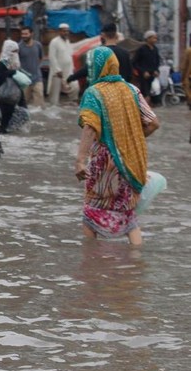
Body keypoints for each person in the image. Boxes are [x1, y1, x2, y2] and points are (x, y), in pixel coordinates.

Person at [75, 47, 159, 246]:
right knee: (128, 216)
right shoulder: (132, 90)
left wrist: (80, 160)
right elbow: (154, 123)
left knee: (91, 212)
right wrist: (133, 139)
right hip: (131, 161)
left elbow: (90, 127)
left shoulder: (94, 92)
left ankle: (93, 260)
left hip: (104, 162)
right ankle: (136, 261)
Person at [67, 22, 134, 86]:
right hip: (120, 91)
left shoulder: (98, 53)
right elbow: (129, 75)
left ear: (103, 35)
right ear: (116, 35)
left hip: (103, 92)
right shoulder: (125, 53)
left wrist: (70, 78)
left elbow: (87, 70)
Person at [0, 40, 28, 132]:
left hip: (17, 93)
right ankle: (4, 132)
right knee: (6, 116)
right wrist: (10, 73)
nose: (15, 54)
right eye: (13, 51)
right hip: (6, 95)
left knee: (23, 112)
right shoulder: (2, 64)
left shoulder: (15, 64)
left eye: (17, 51)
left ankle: (15, 131)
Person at [47, 23, 75, 106]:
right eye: (64, 31)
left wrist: (73, 68)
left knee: (75, 87)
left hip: (68, 70)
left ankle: (71, 105)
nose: (66, 33)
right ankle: (53, 109)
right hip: (57, 72)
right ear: (59, 31)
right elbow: (52, 57)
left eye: (67, 31)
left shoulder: (67, 41)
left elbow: (69, 56)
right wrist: (57, 70)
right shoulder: (54, 42)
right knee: (54, 96)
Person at [18, 26, 44, 108]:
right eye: (22, 34)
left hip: (37, 78)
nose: (24, 36)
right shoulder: (18, 46)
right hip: (24, 80)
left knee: (39, 103)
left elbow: (40, 58)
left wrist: (35, 67)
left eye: (26, 34)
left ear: (31, 34)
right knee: (24, 102)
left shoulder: (38, 45)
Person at [133, 30, 161, 104]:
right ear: (148, 39)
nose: (155, 39)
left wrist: (156, 70)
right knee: (145, 93)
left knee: (154, 92)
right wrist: (143, 71)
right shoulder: (142, 49)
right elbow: (135, 62)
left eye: (155, 38)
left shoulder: (155, 49)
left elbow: (157, 61)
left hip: (152, 75)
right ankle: (145, 110)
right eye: (153, 38)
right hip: (143, 76)